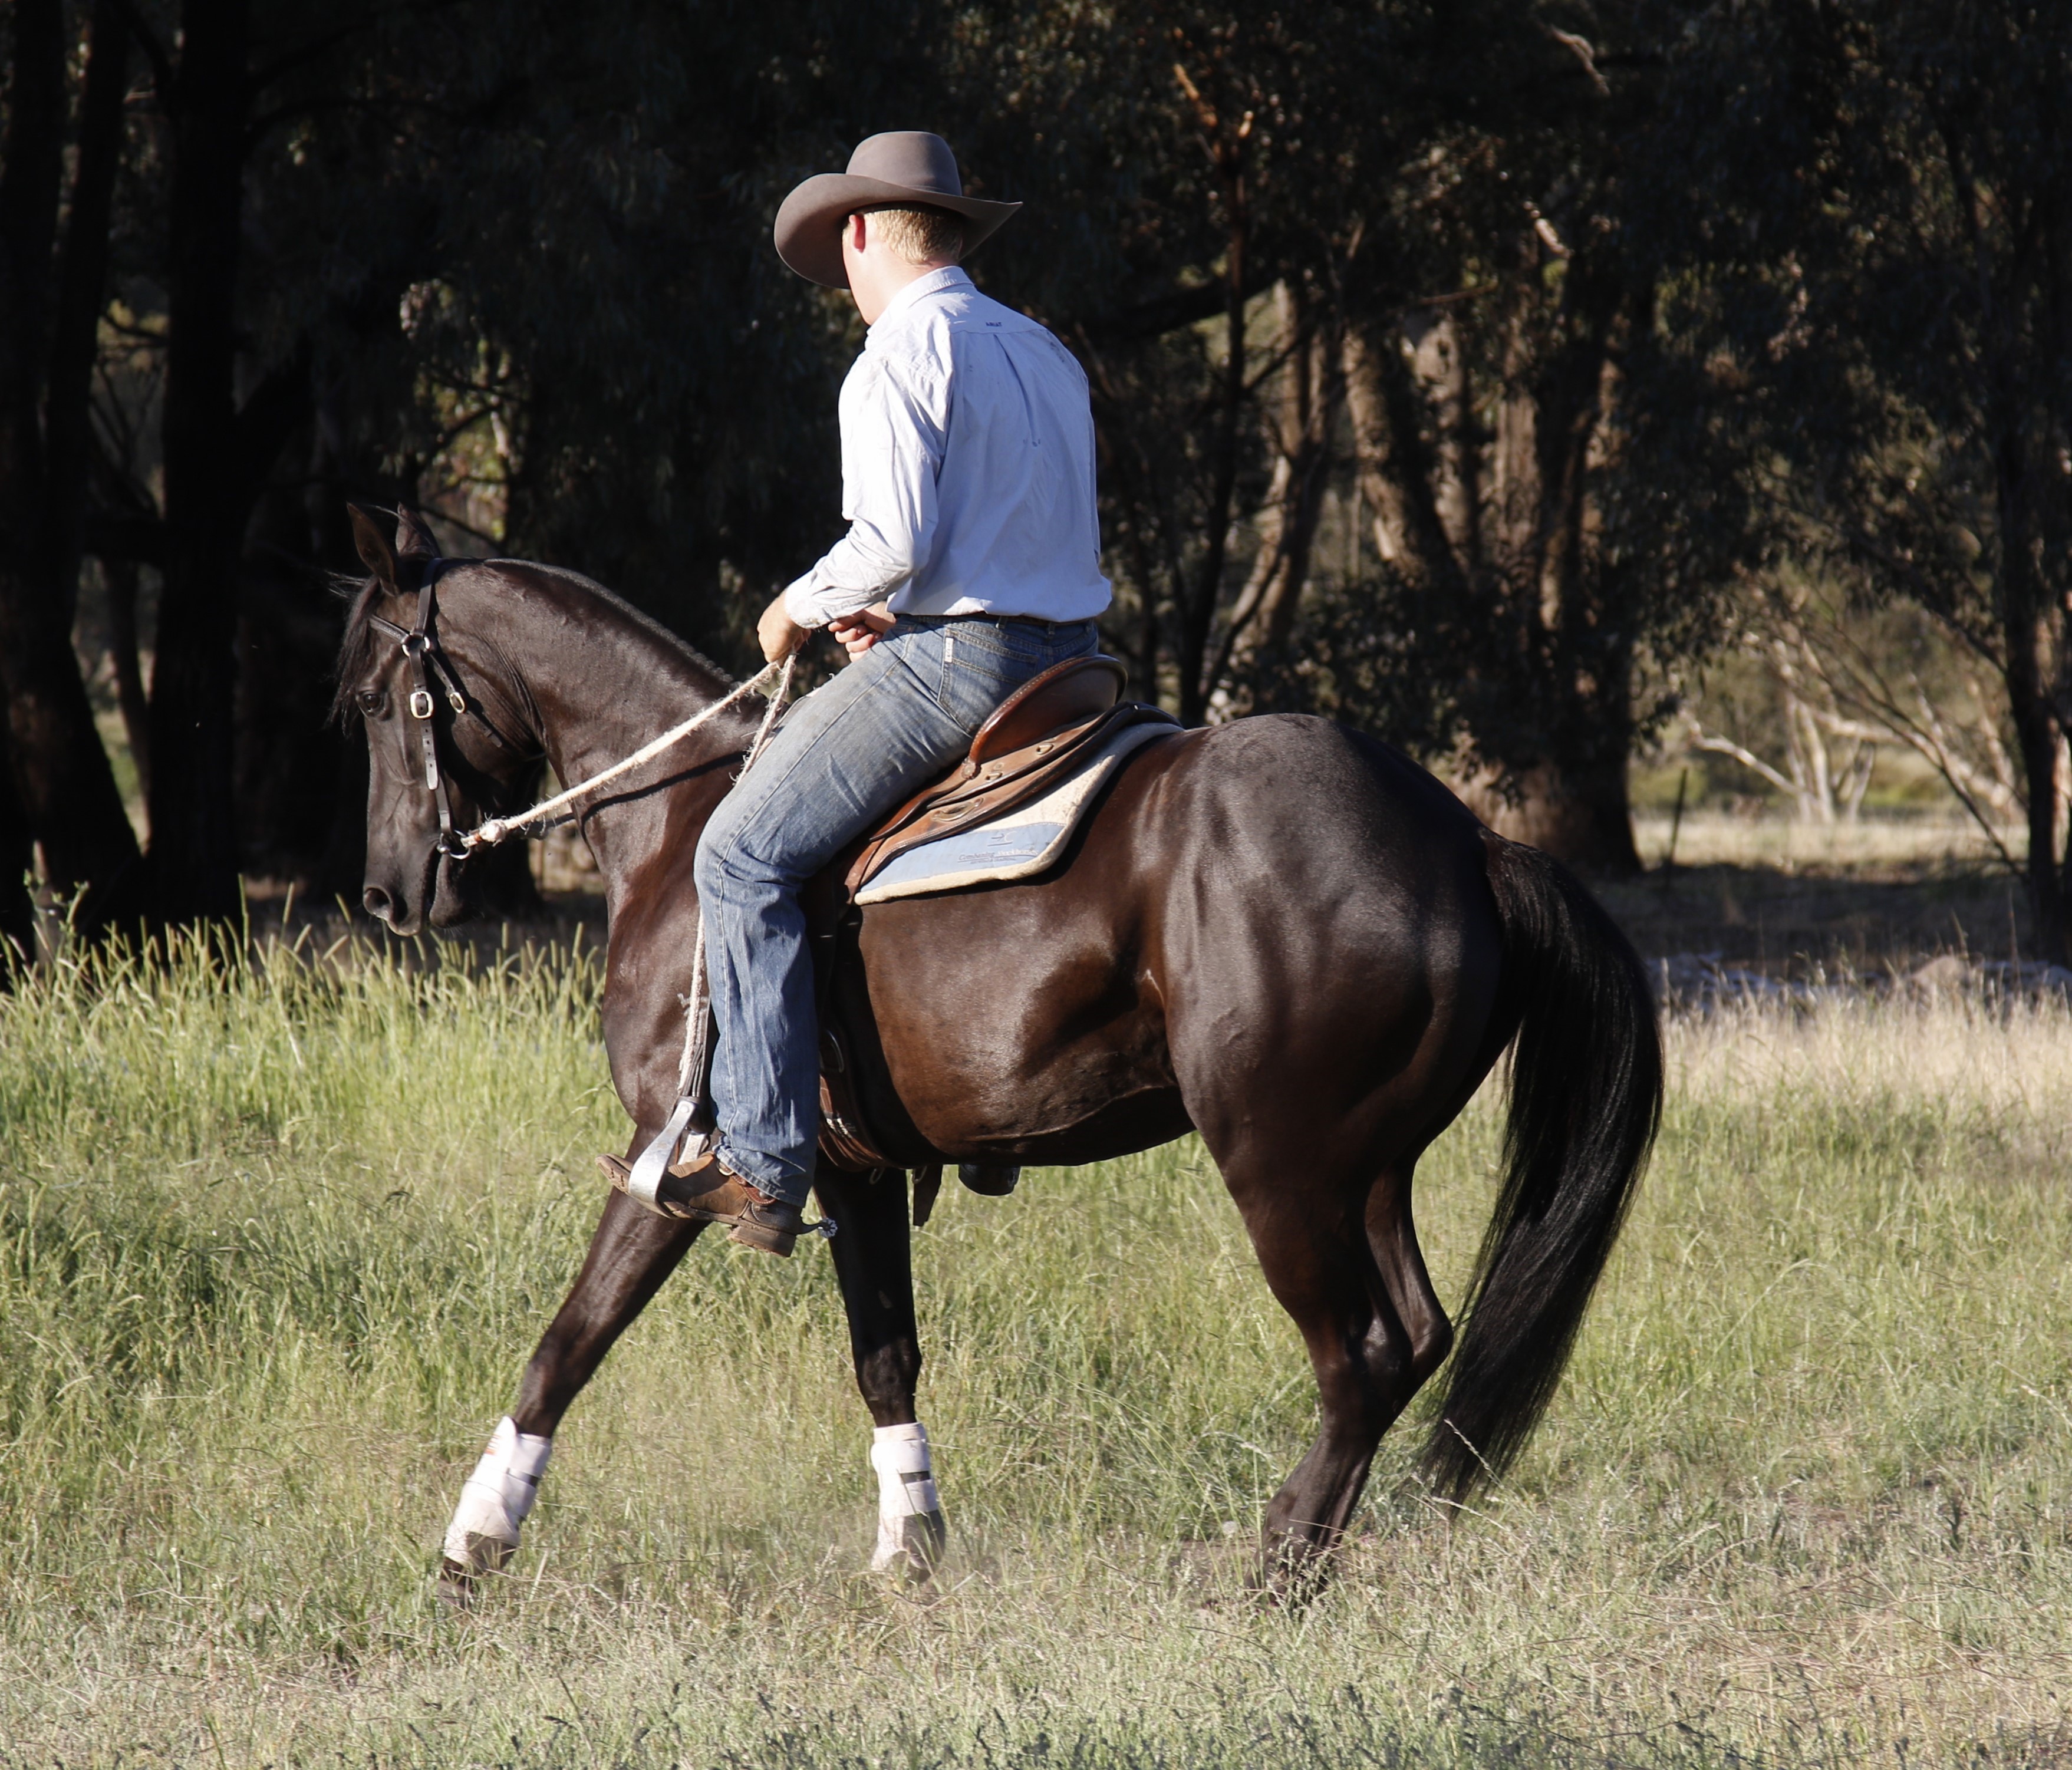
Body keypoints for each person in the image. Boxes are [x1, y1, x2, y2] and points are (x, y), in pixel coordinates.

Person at [652, 131, 1112, 1255]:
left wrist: (797, 607)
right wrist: (902, 612)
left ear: (860, 231)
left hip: (965, 665)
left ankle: (759, 1162)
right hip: (1076, 666)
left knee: (738, 855)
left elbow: (889, 542)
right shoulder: (1045, 350)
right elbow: (1016, 542)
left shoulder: (898, 352)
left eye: (840, 256)